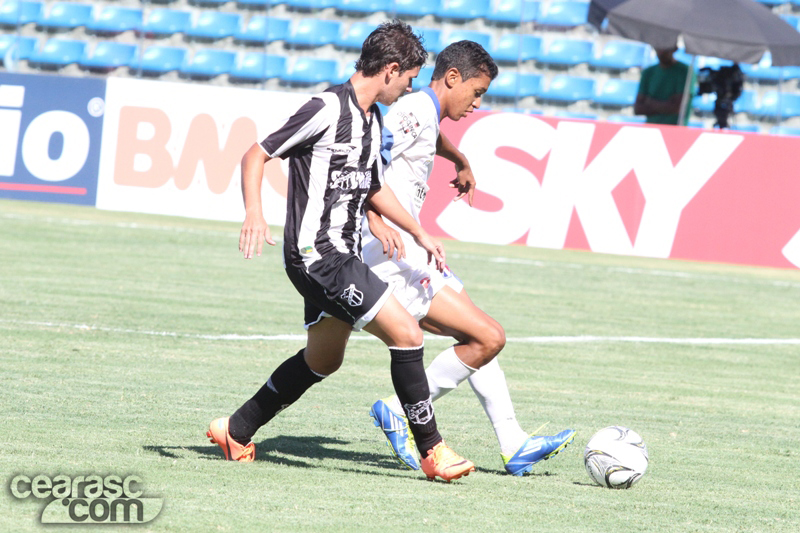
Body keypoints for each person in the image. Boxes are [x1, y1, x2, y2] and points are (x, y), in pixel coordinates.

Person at [206, 20, 475, 483]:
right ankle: (433, 451)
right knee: (407, 333)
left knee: (324, 359)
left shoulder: (372, 120)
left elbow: (374, 188)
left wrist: (419, 232)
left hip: (343, 255)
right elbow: (256, 154)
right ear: (390, 69)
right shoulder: (326, 108)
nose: (410, 88)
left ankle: (236, 429)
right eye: (409, 78)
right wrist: (254, 212)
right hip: (318, 256)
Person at [362, 40, 576, 476]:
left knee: (477, 328)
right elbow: (366, 157)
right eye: (477, 93)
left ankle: (513, 442)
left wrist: (459, 158)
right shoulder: (413, 109)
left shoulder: (425, 113)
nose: (477, 103)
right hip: (389, 254)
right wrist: (373, 217)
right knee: (488, 337)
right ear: (453, 77)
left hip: (406, 253)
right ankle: (398, 409)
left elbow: (430, 135)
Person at [634, 47, 693, 125]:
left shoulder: (685, 72)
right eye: (659, 47)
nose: (661, 52)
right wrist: (666, 105)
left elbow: (678, 108)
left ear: (674, 48)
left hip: (675, 128)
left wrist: (649, 102)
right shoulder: (648, 72)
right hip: (651, 127)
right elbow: (638, 109)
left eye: (665, 48)